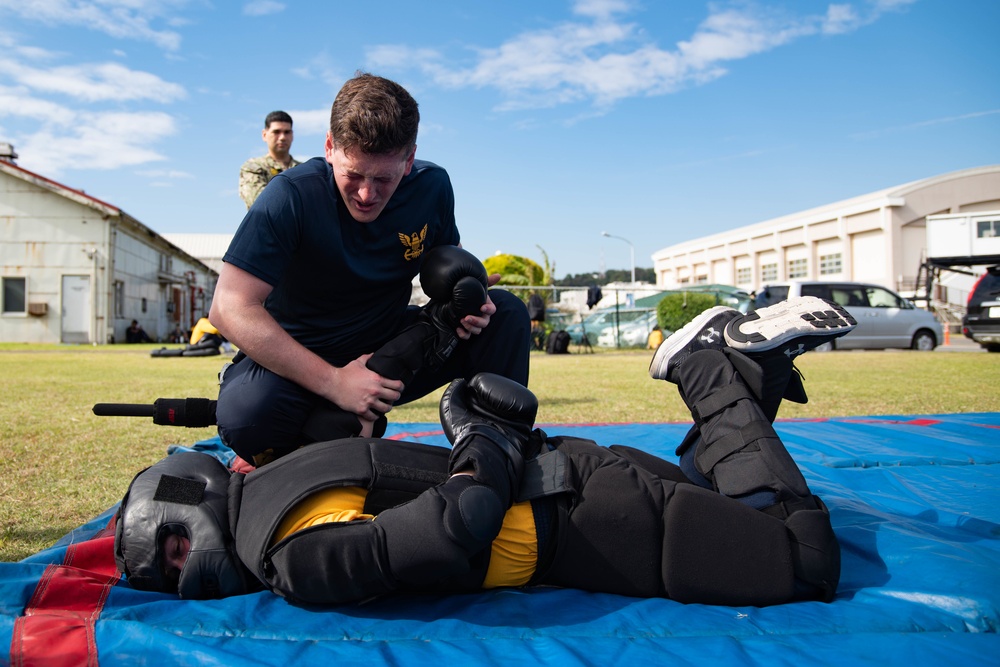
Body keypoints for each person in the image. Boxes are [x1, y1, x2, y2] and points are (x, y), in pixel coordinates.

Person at [115, 296, 856, 607]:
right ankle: (745, 376)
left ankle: (707, 370)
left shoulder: (288, 557)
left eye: (175, 550)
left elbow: (459, 521)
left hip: (589, 525)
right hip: (573, 480)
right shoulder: (283, 473)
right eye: (171, 573)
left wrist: (482, 439)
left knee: (808, 560)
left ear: (196, 495)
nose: (187, 575)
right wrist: (484, 437)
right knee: (730, 501)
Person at [210, 73, 530, 465]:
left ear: (409, 159)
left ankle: (496, 459)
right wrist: (337, 384)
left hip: (386, 348)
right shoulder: (290, 195)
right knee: (246, 418)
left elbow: (449, 265)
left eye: (384, 178)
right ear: (330, 147)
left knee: (507, 313)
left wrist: (469, 304)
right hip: (303, 351)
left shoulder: (432, 186)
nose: (366, 194)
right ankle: (319, 431)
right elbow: (229, 307)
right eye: (354, 175)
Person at [239, 111, 301, 208]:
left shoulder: (303, 169)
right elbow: (262, 204)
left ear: (292, 135)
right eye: (276, 132)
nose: (282, 137)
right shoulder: (253, 167)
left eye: (287, 132)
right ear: (264, 135)